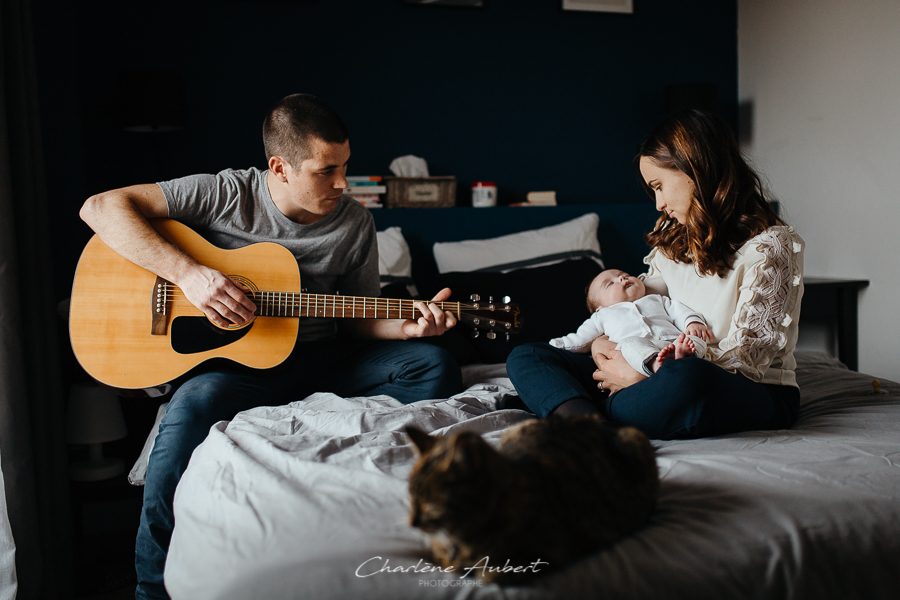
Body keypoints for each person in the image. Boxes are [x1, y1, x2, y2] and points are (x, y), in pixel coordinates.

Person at [79, 93, 463, 600]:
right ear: (279, 167)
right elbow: (100, 207)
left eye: (346, 166)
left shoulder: (354, 222)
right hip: (241, 369)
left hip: (324, 362)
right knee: (190, 405)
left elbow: (357, 318)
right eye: (327, 171)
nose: (344, 184)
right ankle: (151, 587)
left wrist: (404, 329)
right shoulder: (223, 194)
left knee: (432, 362)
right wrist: (190, 276)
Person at [507, 109, 804, 441]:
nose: (659, 204)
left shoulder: (770, 246)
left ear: (696, 169)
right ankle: (595, 433)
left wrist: (639, 374)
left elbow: (748, 361)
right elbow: (636, 304)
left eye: (659, 186)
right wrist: (601, 344)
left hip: (737, 386)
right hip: (654, 363)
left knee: (687, 380)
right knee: (529, 355)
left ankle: (574, 410)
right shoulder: (674, 236)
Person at [549, 268, 712, 375]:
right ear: (599, 307)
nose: (621, 278)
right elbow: (580, 339)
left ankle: (686, 356)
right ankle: (655, 364)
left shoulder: (657, 299)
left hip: (673, 343)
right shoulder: (602, 316)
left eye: (624, 275)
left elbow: (679, 311)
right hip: (641, 350)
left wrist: (692, 323)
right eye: (610, 284)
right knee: (628, 344)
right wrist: (556, 345)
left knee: (692, 338)